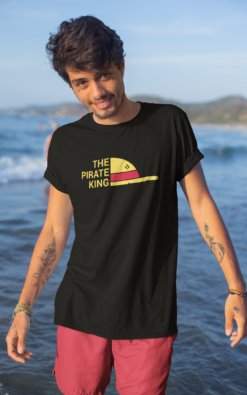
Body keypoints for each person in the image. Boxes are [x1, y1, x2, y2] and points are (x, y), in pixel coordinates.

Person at [6, 15, 247, 395]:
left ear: (121, 65)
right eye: (80, 83)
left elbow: (201, 206)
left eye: (103, 75)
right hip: (80, 311)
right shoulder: (67, 143)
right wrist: (23, 310)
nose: (96, 91)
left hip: (148, 313)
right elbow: (53, 231)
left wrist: (236, 289)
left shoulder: (169, 124)